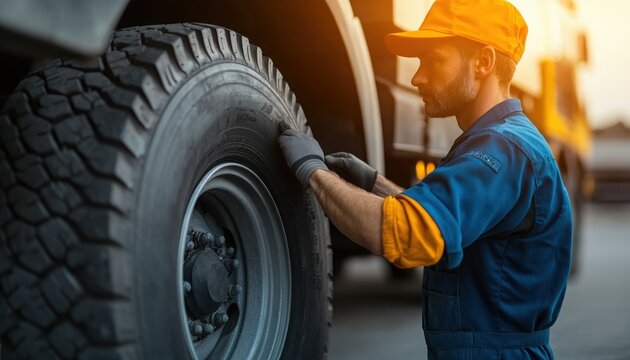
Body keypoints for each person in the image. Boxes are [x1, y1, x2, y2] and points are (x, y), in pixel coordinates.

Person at [277, 0, 572, 358]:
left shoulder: (501, 149)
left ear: (483, 62)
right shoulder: (503, 141)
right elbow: (446, 224)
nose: (417, 76)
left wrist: (314, 172)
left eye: (433, 59)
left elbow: (408, 237)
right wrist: (374, 183)